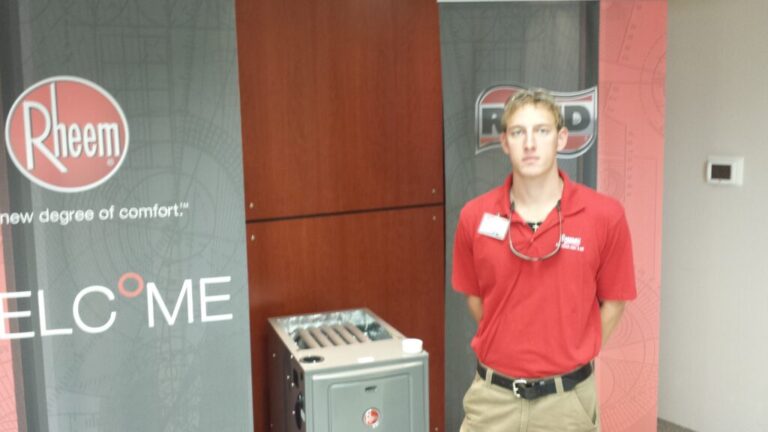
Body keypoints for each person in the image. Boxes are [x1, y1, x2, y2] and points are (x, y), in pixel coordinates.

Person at [452, 89, 636, 432]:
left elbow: (614, 302)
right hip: (493, 400)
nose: (530, 143)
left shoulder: (605, 216)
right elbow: (476, 299)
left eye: (542, 131)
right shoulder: (474, 217)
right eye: (518, 132)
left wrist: (576, 349)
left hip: (567, 402)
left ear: (562, 138)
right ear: (505, 142)